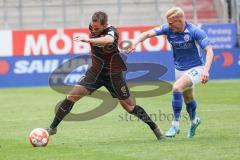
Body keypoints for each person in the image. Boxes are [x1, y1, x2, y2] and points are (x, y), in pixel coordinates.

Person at [45, 11, 164, 140]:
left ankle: (154, 127)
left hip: (113, 74)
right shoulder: (92, 27)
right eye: (93, 27)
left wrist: (89, 39)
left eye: (97, 28)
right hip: (95, 72)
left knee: (129, 106)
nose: (94, 30)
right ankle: (52, 128)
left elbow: (109, 40)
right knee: (72, 96)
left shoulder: (112, 32)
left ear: (105, 25)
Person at [127, 7, 214, 138]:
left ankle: (175, 124)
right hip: (179, 69)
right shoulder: (168, 29)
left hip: (196, 68)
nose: (169, 25)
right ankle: (194, 120)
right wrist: (135, 42)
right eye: (168, 23)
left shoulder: (195, 31)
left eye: (171, 23)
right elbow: (147, 34)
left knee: (176, 88)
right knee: (188, 98)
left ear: (180, 20)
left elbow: (209, 51)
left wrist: (206, 70)